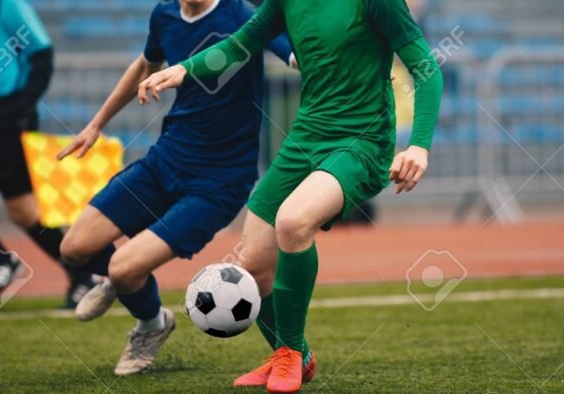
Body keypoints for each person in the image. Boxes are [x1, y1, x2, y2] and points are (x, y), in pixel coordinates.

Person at [138, 0, 443, 391]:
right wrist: (183, 69)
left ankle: (289, 356)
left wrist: (418, 146)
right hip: (305, 136)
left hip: (362, 141)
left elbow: (426, 69)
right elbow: (239, 44)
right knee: (253, 265)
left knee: (293, 222)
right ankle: (295, 353)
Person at [57, 0, 296, 376]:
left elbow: (297, 56)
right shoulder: (164, 15)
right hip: (165, 160)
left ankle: (149, 322)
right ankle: (126, 284)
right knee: (73, 247)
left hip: (219, 183)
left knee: (123, 268)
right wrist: (96, 123)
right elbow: (145, 64)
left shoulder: (243, 15)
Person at [0, 0, 95, 308]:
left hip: (13, 117)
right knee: (23, 212)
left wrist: (23, 107)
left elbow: (42, 53)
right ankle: (83, 278)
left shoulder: (2, 3)